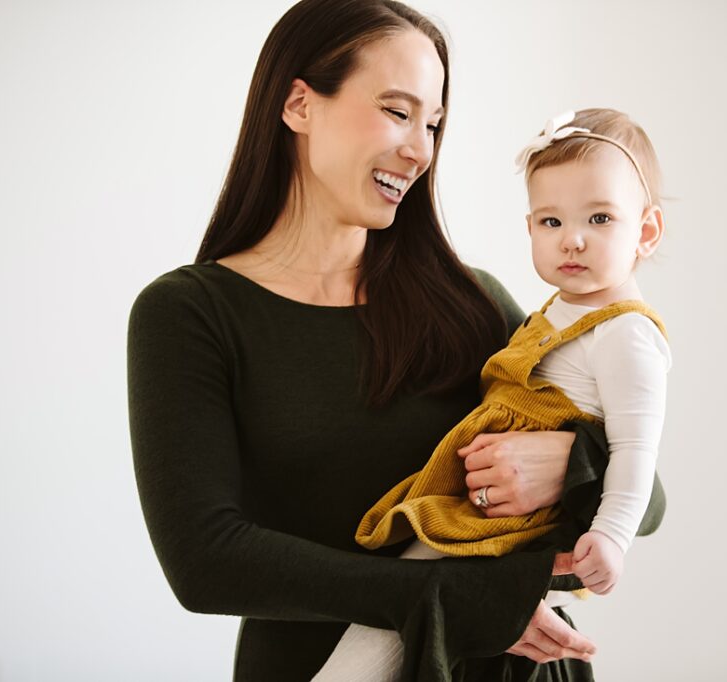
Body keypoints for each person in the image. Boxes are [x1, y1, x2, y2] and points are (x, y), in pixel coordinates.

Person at [126, 1, 666, 680]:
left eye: (434, 122)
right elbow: (205, 562)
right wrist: (464, 600)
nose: (421, 148)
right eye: (396, 110)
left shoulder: (469, 304)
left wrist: (567, 464)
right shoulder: (191, 314)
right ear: (298, 103)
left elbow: (649, 498)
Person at [312, 108, 671, 681]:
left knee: (392, 618)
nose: (572, 239)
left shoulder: (626, 334)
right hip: (486, 504)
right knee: (407, 598)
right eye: (551, 222)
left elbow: (636, 456)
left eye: (600, 218)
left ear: (645, 232)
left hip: (513, 522)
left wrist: (608, 533)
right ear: (529, 228)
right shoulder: (550, 315)